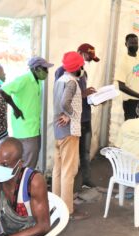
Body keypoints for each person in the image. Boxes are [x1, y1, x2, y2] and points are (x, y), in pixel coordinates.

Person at [0, 137, 50, 236]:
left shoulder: (33, 181)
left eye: (5, 165)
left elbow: (43, 225)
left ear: (19, 164)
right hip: (4, 235)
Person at [55, 43, 100, 188]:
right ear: (79, 53)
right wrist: (82, 96)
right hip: (70, 122)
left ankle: (85, 180)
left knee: (84, 153)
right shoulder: (63, 72)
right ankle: (67, 192)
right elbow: (64, 99)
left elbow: (76, 96)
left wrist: (93, 98)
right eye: (87, 57)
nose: (87, 62)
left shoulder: (82, 72)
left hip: (84, 116)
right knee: (69, 161)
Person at [0, 56, 54, 169]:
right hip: (25, 130)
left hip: (33, 129)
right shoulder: (24, 79)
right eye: (45, 69)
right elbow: (2, 90)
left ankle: (25, 184)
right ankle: (24, 185)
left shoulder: (36, 81)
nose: (47, 72)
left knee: (30, 162)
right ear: (36, 69)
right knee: (27, 165)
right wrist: (15, 108)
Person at [52, 51, 88, 220]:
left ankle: (56, 205)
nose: (83, 67)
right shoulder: (72, 82)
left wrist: (65, 113)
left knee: (58, 170)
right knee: (68, 171)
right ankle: (67, 210)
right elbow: (64, 103)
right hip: (69, 132)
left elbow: (61, 103)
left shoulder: (60, 79)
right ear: (77, 67)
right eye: (82, 65)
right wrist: (71, 114)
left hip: (59, 131)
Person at [116, 33, 139, 120]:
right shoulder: (123, 61)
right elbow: (121, 86)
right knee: (131, 128)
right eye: (131, 43)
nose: (134, 45)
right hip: (130, 102)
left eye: (136, 43)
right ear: (126, 44)